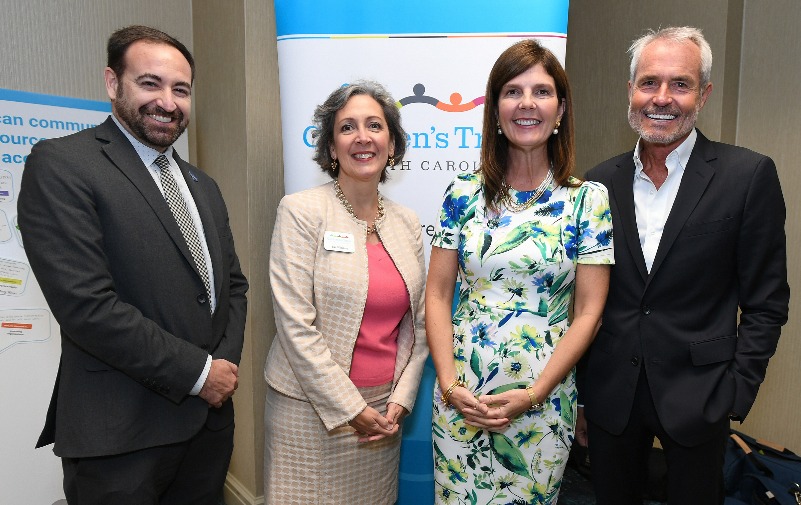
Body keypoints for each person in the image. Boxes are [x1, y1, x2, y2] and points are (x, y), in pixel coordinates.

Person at [17, 25, 248, 504]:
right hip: (121, 434)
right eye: (150, 83)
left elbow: (231, 287)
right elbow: (87, 307)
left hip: (207, 429)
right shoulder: (63, 164)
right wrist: (202, 374)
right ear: (112, 82)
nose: (167, 101)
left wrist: (222, 366)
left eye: (180, 89)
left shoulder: (202, 184)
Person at [577, 26, 790, 505]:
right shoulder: (597, 183)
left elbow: (767, 301)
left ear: (704, 94)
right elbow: (587, 300)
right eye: (650, 82)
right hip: (613, 396)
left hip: (702, 396)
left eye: (681, 84)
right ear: (630, 90)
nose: (662, 98)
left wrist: (735, 392)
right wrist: (585, 395)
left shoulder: (748, 175)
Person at [427, 39, 614, 504]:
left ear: (561, 108)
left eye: (542, 91)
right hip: (460, 404)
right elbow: (435, 294)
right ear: (494, 109)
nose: (527, 104)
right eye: (512, 91)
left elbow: (590, 312)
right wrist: (450, 386)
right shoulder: (461, 194)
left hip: (542, 407)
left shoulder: (587, 200)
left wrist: (534, 393)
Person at [263, 80, 428, 504]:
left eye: (375, 125)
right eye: (347, 127)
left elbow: (420, 325)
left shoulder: (408, 223)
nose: (362, 137)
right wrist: (350, 409)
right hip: (310, 412)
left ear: (392, 144)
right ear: (332, 148)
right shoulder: (301, 211)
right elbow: (295, 325)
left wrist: (402, 401)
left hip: (382, 414)